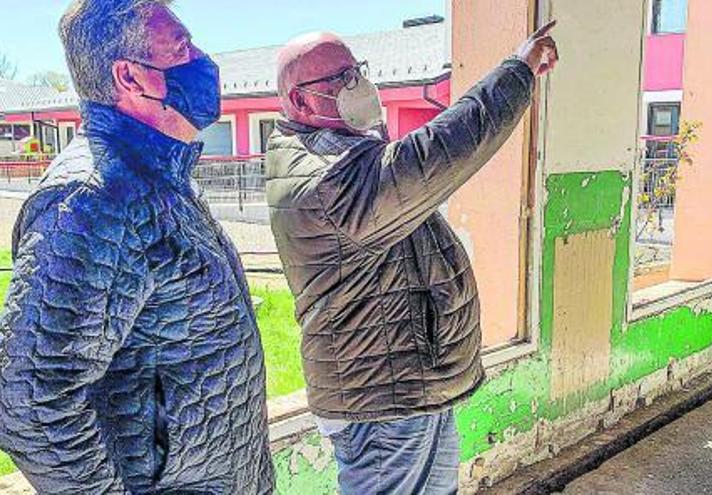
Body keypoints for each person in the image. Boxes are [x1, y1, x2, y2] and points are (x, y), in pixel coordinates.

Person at [266, 21, 559, 494]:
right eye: (338, 79)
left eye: (356, 71)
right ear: (299, 101)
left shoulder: (341, 151)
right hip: (382, 401)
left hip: (407, 384)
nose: (357, 85)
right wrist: (517, 70)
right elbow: (442, 150)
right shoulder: (325, 181)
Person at [0, 1, 274, 493]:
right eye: (182, 47)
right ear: (130, 76)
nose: (203, 60)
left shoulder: (163, 176)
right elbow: (30, 402)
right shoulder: (92, 201)